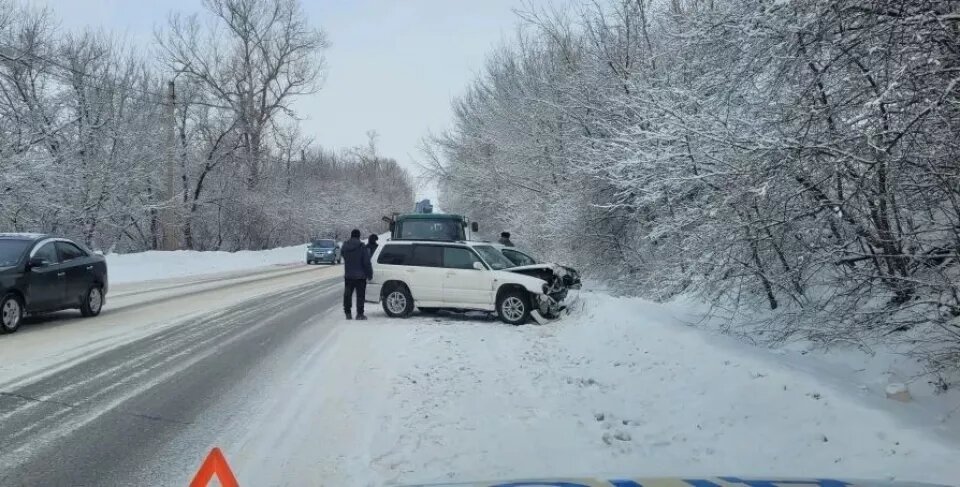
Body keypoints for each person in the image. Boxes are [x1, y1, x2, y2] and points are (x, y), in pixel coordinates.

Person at [342, 229, 373, 320]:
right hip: (361, 276)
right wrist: (369, 274)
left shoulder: (345, 245)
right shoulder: (362, 247)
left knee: (347, 294)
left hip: (348, 275)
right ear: (359, 236)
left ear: (351, 236)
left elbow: (343, 254)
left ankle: (348, 313)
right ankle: (359, 314)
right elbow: (366, 262)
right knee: (360, 295)